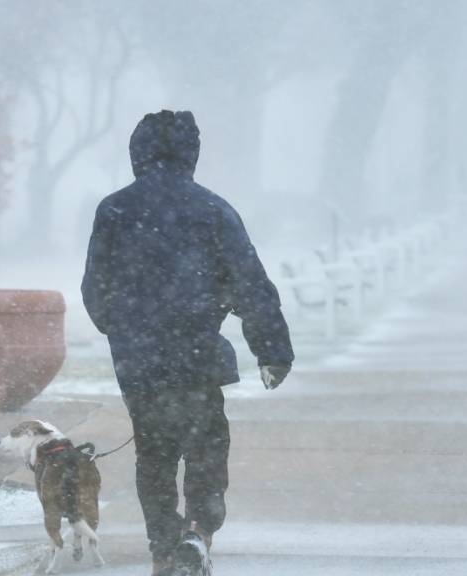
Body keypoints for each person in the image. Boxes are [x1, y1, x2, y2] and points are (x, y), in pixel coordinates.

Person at [82, 110, 294, 575]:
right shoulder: (213, 210)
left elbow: (95, 290)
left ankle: (163, 545)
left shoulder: (114, 209)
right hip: (197, 355)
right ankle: (198, 531)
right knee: (205, 447)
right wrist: (272, 351)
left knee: (154, 454)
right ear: (191, 153)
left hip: (140, 363)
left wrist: (124, 331)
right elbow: (250, 284)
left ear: (137, 153)